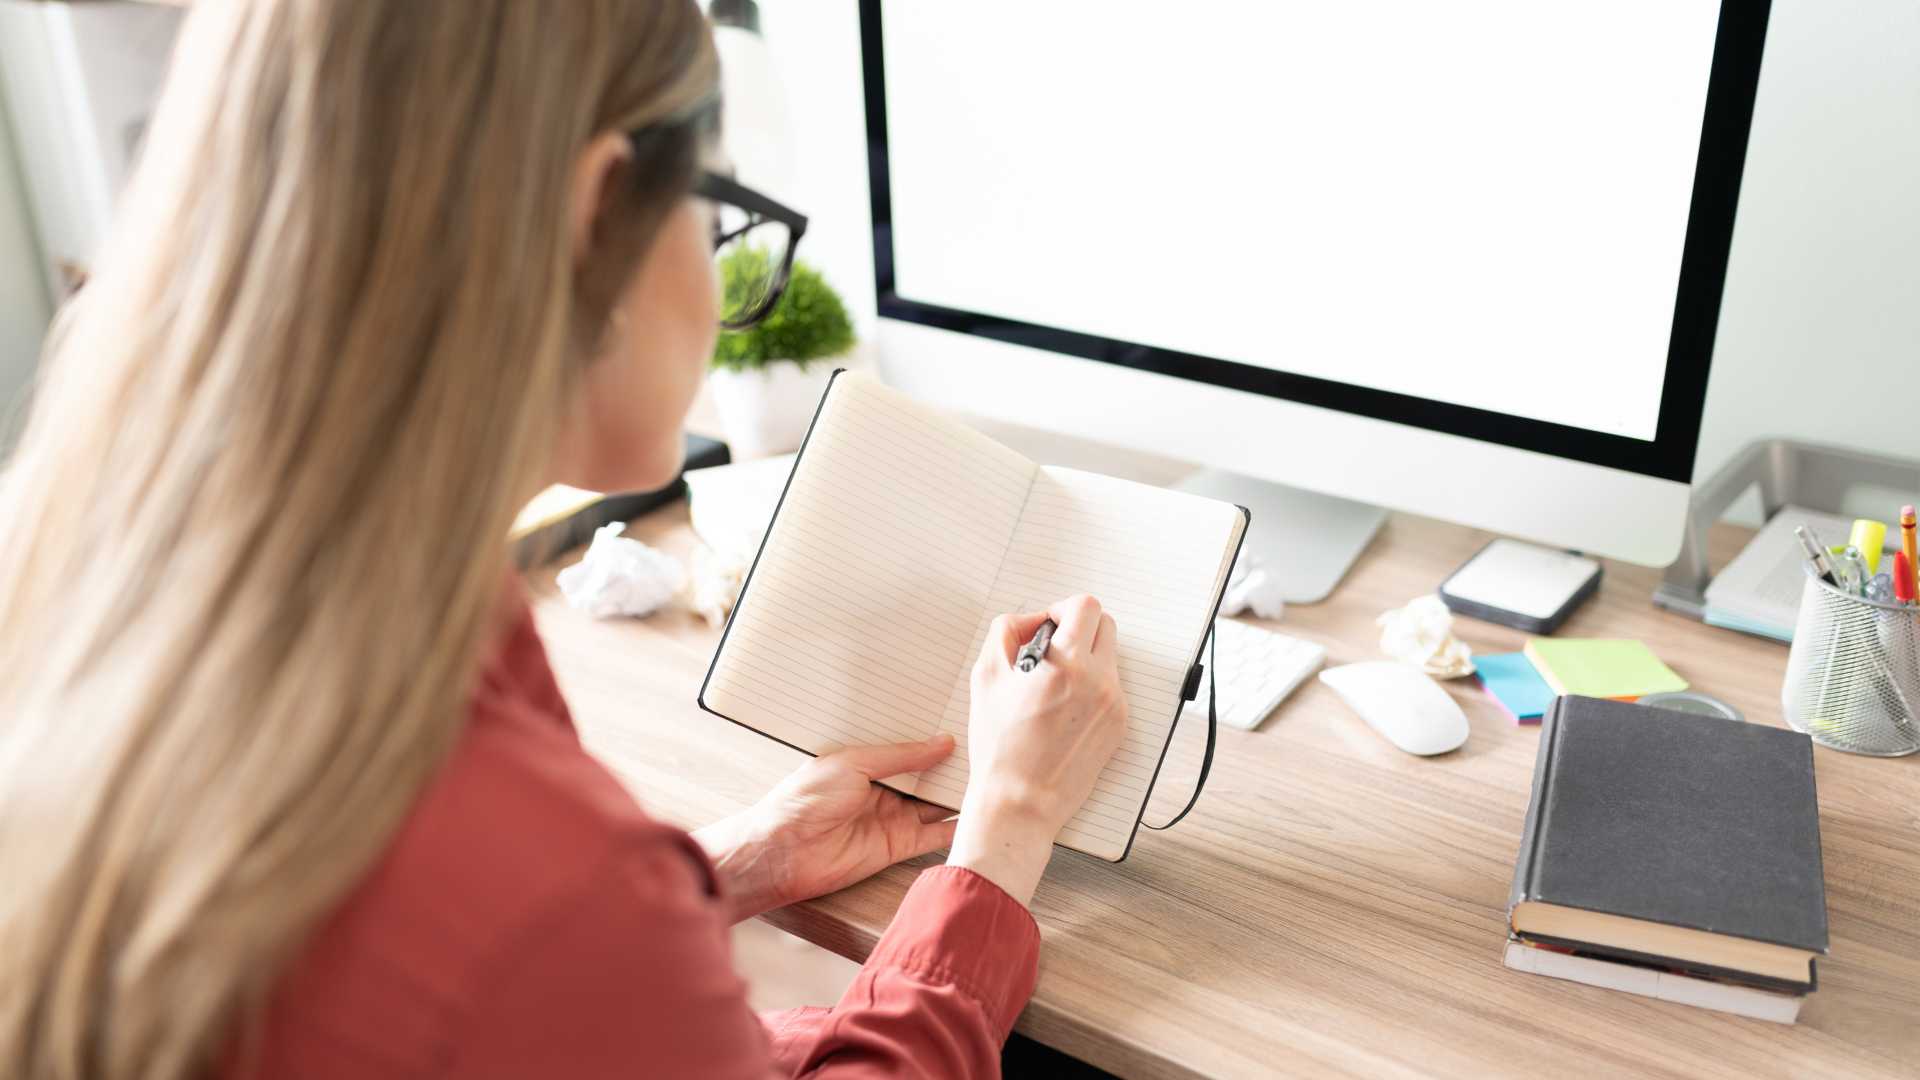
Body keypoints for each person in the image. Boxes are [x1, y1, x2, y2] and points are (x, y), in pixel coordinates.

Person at [0, 2, 1129, 1078]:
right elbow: (523, 950)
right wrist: (1004, 832)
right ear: (597, 215)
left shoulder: (113, 584)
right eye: (718, 205)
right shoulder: (539, 888)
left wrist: (718, 870)